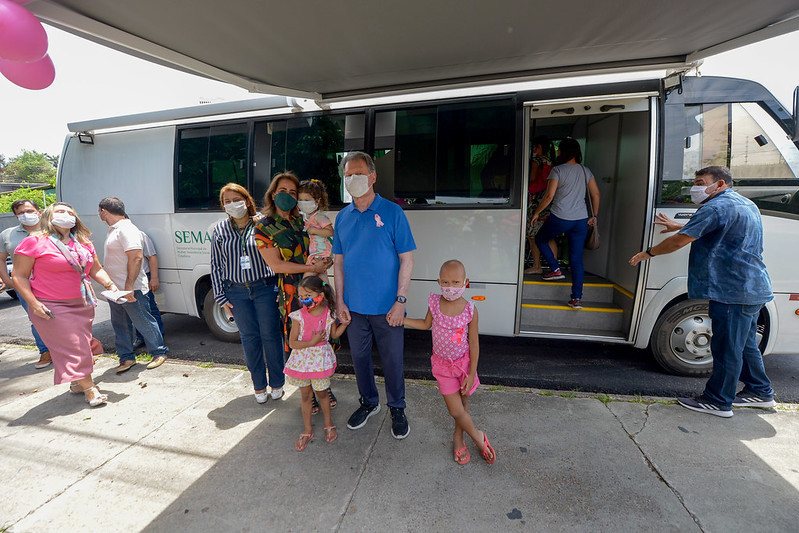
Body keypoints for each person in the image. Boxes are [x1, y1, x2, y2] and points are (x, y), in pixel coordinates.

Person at [630, 165, 775, 418]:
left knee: (726, 348)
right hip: (752, 287)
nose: (695, 188)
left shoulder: (715, 207)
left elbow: (681, 240)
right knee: (745, 345)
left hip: (731, 291)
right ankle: (760, 392)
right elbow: (718, 228)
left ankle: (718, 401)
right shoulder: (744, 203)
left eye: (700, 182)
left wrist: (648, 252)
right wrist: (679, 225)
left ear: (720, 184)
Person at [333, 151, 416, 439]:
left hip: (388, 308)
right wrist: (339, 301)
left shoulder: (393, 212)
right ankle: (369, 402)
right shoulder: (342, 217)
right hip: (354, 308)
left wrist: (400, 301)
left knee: (392, 361)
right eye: (348, 175)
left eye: (358, 173)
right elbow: (338, 263)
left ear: (372, 177)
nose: (353, 179)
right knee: (359, 359)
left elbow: (407, 259)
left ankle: (397, 407)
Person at [12, 203, 119, 406]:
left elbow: (95, 269)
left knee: (81, 345)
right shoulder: (34, 242)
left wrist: (110, 285)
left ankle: (77, 383)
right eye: (60, 211)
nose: (66, 215)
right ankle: (89, 389)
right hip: (51, 305)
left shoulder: (83, 243)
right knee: (75, 346)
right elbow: (19, 276)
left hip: (82, 303)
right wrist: (33, 304)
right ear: (48, 216)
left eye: (70, 212)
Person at [254, 173, 335, 409]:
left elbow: (322, 244)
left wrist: (326, 261)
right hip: (293, 293)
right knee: (300, 340)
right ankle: (308, 394)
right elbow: (277, 265)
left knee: (321, 336)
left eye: (293, 192)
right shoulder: (264, 227)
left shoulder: (303, 220)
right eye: (283, 191)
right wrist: (311, 268)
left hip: (317, 288)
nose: (288, 196)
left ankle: (323, 387)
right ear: (272, 194)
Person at [403, 260, 496, 465]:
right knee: (455, 410)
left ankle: (458, 437)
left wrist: (471, 373)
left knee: (463, 405)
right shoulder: (435, 303)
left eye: (455, 282)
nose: (450, 287)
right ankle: (479, 437)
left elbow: (474, 344)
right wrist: (403, 320)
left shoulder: (470, 310)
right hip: (442, 366)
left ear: (465, 282)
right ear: (438, 282)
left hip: (464, 366)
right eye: (445, 282)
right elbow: (425, 324)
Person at [210, 183, 286, 403]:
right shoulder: (219, 230)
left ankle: (277, 383)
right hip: (236, 292)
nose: (233, 204)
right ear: (223, 205)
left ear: (247, 200)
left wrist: (281, 288)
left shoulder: (263, 223)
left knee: (271, 335)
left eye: (237, 199)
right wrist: (220, 297)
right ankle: (259, 385)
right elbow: (215, 265)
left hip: (265, 288)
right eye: (227, 201)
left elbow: (279, 257)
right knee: (249, 338)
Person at [98, 197, 168, 373]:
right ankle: (126, 357)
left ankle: (159, 352)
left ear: (103, 211)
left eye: (99, 211)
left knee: (143, 321)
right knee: (120, 324)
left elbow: (136, 257)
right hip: (116, 290)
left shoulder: (126, 229)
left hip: (131, 288)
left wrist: (129, 286)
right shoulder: (114, 230)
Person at [530, 138, 600, 309]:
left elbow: (549, 196)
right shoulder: (585, 170)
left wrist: (537, 212)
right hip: (580, 220)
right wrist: (595, 216)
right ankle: (576, 299)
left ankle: (555, 269)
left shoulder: (558, 170)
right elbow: (596, 194)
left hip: (560, 217)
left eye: (559, 150)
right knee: (576, 260)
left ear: (562, 151)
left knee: (540, 239)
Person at [285, 276, 350, 451]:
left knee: (323, 394)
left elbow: (334, 335)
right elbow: (292, 343)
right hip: (302, 362)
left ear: (320, 295)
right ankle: (307, 429)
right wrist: (311, 342)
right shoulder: (298, 316)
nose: (303, 299)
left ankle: (328, 424)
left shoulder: (329, 314)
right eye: (301, 296)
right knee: (306, 396)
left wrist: (344, 324)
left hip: (320, 362)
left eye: (308, 295)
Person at [0, 198, 51, 368]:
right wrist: (6, 279)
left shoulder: (52, 230)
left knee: (63, 315)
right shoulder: (7, 235)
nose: (25, 215)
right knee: (36, 317)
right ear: (16, 216)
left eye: (29, 211)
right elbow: (1, 259)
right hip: (25, 286)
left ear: (39, 212)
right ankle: (45, 351)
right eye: (21, 213)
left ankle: (68, 349)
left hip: (53, 283)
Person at [524, 136, 557, 275]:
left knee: (532, 235)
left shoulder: (537, 161)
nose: (533, 150)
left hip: (535, 203)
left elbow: (531, 180)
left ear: (539, 147)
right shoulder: (551, 163)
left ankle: (536, 266)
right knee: (548, 236)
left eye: (534, 147)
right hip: (547, 203)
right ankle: (554, 267)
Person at [297, 179, 334, 283]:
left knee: (306, 279)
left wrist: (314, 230)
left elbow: (330, 232)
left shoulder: (319, 217)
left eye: (306, 200)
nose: (303, 203)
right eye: (300, 200)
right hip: (315, 253)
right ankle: (328, 292)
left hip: (321, 253)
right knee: (323, 280)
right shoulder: (304, 216)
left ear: (317, 201)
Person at [133, 229, 165, 348]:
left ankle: (158, 338)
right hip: (126, 278)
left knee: (150, 308)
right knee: (135, 310)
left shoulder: (140, 235)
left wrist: (154, 278)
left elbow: (152, 257)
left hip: (143, 276)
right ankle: (141, 337)